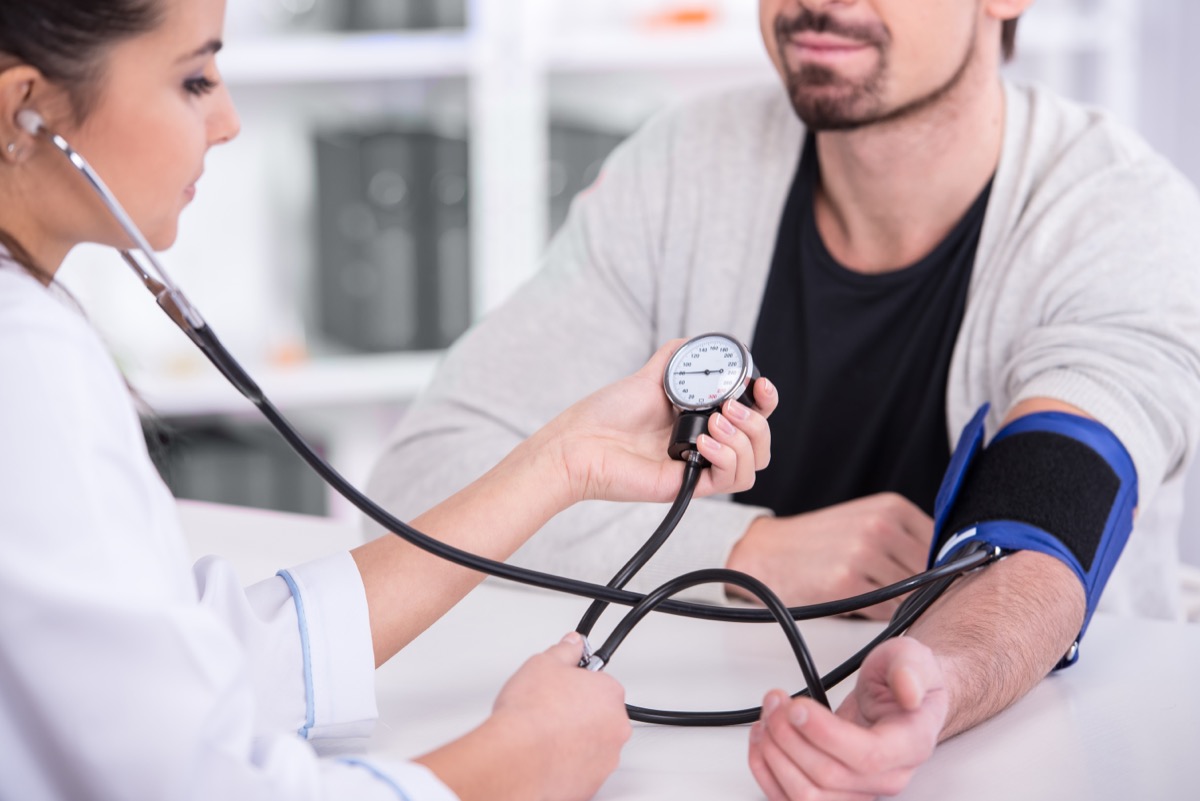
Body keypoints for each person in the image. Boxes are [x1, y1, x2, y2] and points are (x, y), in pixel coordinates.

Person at [366, 0, 1200, 797]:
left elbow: (1044, 529)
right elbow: (422, 486)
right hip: (673, 760)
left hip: (1031, 756)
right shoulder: (684, 165)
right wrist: (746, 553)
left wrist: (938, 678)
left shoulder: (1124, 219)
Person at [0, 1, 779, 799]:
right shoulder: (25, 360)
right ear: (23, 109)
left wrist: (561, 464)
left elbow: (190, 674)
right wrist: (519, 761)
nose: (227, 120)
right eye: (194, 78)